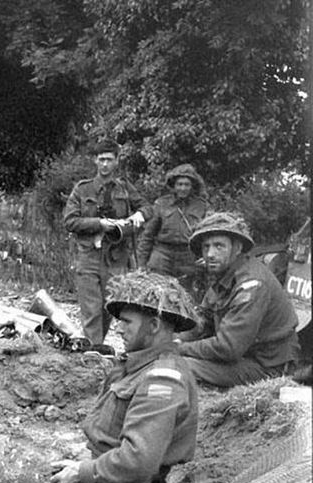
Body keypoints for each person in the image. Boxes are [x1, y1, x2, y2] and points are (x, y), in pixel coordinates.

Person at [46, 271, 199, 483]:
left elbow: (137, 463)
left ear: (153, 326)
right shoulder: (136, 365)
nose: (118, 328)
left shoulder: (161, 382)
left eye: (127, 322)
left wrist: (83, 473)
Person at [176, 212, 300, 387]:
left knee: (177, 366)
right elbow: (203, 320)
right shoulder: (224, 276)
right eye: (206, 247)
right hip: (245, 358)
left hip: (267, 368)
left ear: (238, 248)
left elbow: (227, 347)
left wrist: (178, 348)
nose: (210, 254)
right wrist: (175, 339)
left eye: (219, 246)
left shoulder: (252, 284)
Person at [63, 138, 152, 351]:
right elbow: (69, 221)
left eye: (109, 160)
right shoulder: (82, 190)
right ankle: (94, 352)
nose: (105, 164)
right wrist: (99, 223)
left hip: (116, 258)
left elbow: (148, 208)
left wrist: (139, 214)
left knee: (107, 307)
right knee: (91, 309)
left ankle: (96, 348)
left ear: (116, 162)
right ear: (95, 160)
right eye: (101, 159)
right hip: (89, 256)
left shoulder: (125, 188)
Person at [136, 163, 211, 295]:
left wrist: (205, 256)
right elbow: (147, 235)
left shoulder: (201, 206)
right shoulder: (161, 204)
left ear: (192, 186)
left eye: (186, 184)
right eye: (179, 184)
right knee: (155, 296)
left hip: (188, 257)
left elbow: (208, 235)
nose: (183, 188)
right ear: (174, 186)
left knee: (185, 298)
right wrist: (141, 264)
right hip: (162, 256)